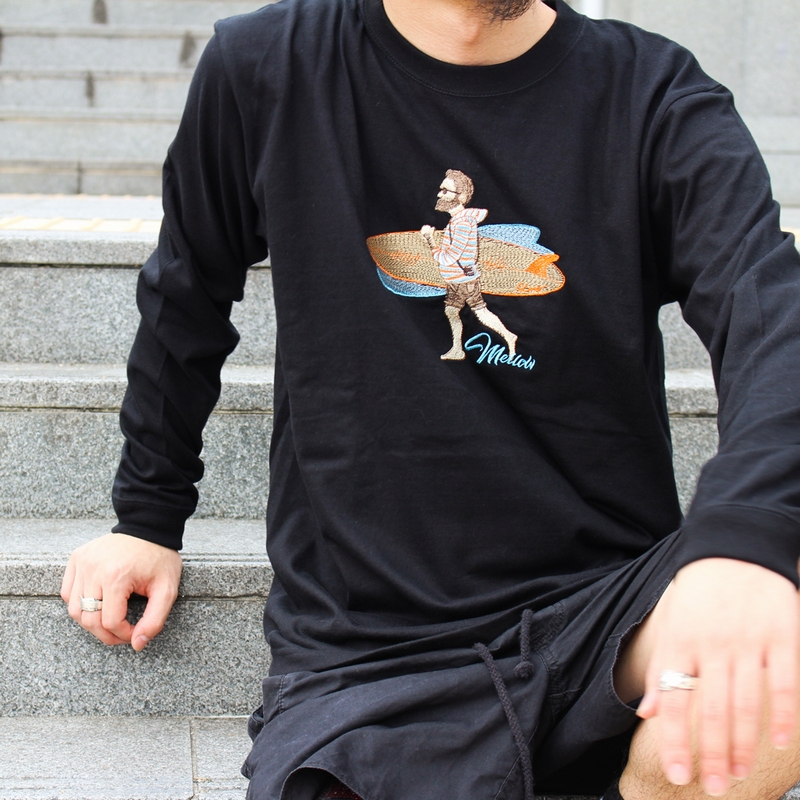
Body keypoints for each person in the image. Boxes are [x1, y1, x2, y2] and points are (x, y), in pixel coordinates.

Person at [59, 0, 800, 798]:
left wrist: (744, 538)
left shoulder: (652, 94)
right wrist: (147, 518)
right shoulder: (269, 67)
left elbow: (769, 314)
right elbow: (187, 296)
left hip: (611, 616)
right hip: (372, 654)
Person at [420, 169, 519, 360]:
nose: (439, 194)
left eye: (445, 190)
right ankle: (460, 348)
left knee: (477, 312)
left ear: (462, 196)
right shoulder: (458, 221)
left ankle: (505, 337)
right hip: (458, 278)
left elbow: (449, 257)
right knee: (458, 311)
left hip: (462, 280)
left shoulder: (462, 223)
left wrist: (430, 240)